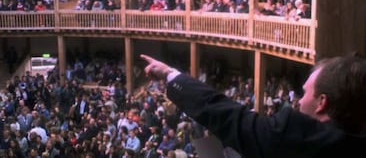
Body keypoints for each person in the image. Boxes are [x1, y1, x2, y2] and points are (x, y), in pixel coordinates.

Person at [141, 54, 366, 158]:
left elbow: (228, 115)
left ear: (322, 103)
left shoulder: (294, 135)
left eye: (305, 92)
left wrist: (170, 75)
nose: (299, 100)